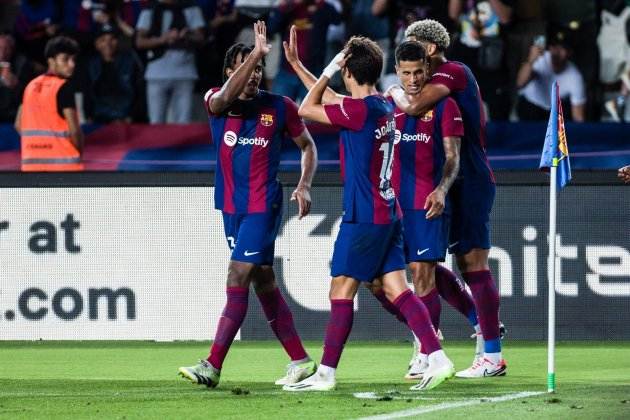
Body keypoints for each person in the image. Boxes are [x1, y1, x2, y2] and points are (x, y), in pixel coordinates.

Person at [282, 35, 454, 392]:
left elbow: (306, 108)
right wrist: (298, 65)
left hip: (365, 217)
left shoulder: (359, 112)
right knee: (398, 289)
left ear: (346, 69)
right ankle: (437, 357)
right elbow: (327, 98)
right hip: (388, 213)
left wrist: (329, 65)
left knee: (340, 291)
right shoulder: (380, 106)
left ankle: (326, 373)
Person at [178, 21, 318, 389]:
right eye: (246, 66)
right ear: (229, 72)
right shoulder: (216, 102)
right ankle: (300, 360)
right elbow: (224, 98)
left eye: (258, 67)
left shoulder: (280, 107)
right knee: (263, 281)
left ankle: (212, 365)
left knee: (237, 275)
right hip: (229, 207)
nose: (254, 74)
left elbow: (308, 146)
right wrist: (255, 51)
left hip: (262, 205)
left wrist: (304, 184)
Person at [388, 19, 506, 378]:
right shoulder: (434, 77)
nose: (409, 49)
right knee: (427, 262)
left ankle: (492, 355)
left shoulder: (454, 72)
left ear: (432, 49)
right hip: (444, 182)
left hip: (468, 178)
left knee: (473, 264)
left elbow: (411, 105)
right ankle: (469, 327)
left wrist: (392, 91)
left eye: (414, 44)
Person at [15, 36, 84, 172]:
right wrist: (77, 151)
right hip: (64, 167)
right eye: (65, 59)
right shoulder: (64, 87)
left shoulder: (30, 86)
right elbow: (74, 130)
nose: (72, 64)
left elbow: (18, 124)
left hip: (31, 167)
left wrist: (39, 146)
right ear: (51, 61)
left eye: (73, 59)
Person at [135, 0, 205, 124]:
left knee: (184, 122)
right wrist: (163, 39)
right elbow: (139, 41)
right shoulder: (149, 10)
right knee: (156, 122)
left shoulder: (191, 8)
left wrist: (186, 36)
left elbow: (201, 38)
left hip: (185, 73)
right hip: (156, 73)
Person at [516, 28, 586, 122]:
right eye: (554, 47)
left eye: (562, 49)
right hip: (530, 106)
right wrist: (531, 60)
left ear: (569, 53)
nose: (556, 52)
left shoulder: (575, 76)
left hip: (554, 112)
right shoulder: (540, 59)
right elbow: (520, 83)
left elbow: (578, 116)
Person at [86, 24, 142, 123]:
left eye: (112, 39)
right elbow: (87, 93)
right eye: (103, 40)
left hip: (124, 117)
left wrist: (131, 116)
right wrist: (89, 116)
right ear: (97, 44)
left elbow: (138, 92)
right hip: (98, 118)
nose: (108, 44)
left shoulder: (130, 63)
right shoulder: (91, 65)